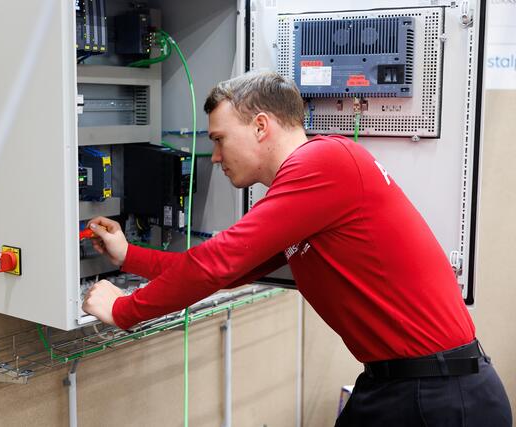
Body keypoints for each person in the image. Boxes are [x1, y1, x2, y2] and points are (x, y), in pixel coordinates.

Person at [82, 71, 512, 426]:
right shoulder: (312, 184)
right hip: (403, 387)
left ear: (260, 126)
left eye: (219, 139)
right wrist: (129, 256)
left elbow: (218, 262)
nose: (214, 156)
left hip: (439, 397)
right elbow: (228, 270)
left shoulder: (321, 163)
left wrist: (125, 310)